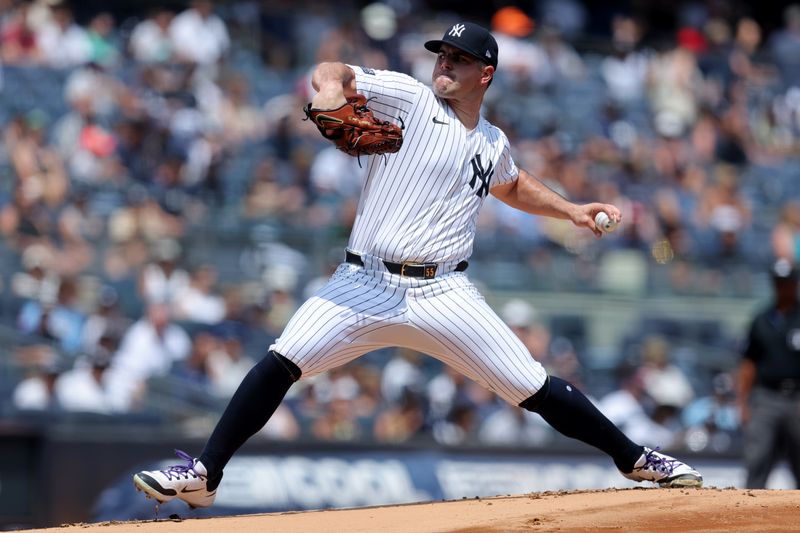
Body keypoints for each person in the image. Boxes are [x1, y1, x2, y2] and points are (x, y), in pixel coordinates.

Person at [133, 21, 702, 509]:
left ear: (487, 73)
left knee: (531, 386)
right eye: (442, 55)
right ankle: (205, 474)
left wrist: (572, 210)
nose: (445, 64)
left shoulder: (491, 142)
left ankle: (634, 459)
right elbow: (334, 70)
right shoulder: (409, 97)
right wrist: (330, 90)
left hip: (443, 293)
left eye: (460, 58)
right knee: (283, 360)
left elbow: (512, 184)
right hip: (364, 282)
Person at [737, 258, 800, 488]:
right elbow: (748, 364)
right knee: (757, 459)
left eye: (787, 282)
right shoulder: (761, 320)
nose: (782, 287)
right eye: (778, 282)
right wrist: (742, 403)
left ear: (795, 283)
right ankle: (750, 516)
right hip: (766, 398)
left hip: (797, 399)